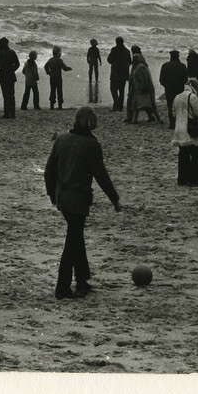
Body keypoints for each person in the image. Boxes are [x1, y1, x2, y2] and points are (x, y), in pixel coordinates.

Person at [43, 107, 121, 300]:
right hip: (78, 199)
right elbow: (101, 176)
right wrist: (115, 199)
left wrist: (52, 195)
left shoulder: (61, 139)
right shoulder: (91, 145)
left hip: (62, 197)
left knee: (76, 236)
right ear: (92, 124)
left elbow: (48, 171)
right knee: (73, 240)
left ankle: (82, 279)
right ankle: (63, 288)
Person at [171, 79, 198, 187]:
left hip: (179, 128)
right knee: (196, 155)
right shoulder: (192, 97)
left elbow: (173, 113)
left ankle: (182, 179)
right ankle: (194, 179)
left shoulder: (177, 96)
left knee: (183, 155)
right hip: (190, 129)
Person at [126, 46, 158, 124]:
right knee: (148, 103)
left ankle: (132, 118)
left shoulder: (138, 65)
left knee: (134, 102)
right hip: (144, 87)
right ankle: (152, 117)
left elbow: (138, 76)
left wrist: (139, 87)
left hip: (138, 87)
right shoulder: (143, 63)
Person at [0, 37, 20, 118]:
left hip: (3, 75)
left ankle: (7, 113)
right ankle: (13, 113)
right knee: (11, 95)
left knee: (5, 95)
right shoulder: (12, 52)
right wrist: (12, 70)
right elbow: (17, 64)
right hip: (11, 75)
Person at [107, 37, 131, 116]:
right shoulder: (127, 51)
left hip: (115, 73)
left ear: (116, 42)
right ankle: (120, 106)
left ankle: (116, 105)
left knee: (113, 89)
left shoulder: (114, 49)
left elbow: (109, 60)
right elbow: (130, 61)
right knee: (122, 90)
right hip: (124, 74)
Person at [45, 46, 69, 112]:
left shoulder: (50, 60)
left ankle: (51, 106)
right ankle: (60, 106)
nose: (60, 54)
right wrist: (69, 68)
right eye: (60, 52)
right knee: (59, 91)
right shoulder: (59, 60)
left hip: (52, 78)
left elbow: (45, 66)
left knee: (52, 91)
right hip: (58, 78)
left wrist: (48, 72)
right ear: (58, 53)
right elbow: (64, 68)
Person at [85, 39, 102, 105]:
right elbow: (98, 56)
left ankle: (90, 80)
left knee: (91, 71)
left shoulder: (90, 49)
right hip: (95, 61)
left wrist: (87, 60)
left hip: (92, 60)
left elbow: (87, 55)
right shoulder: (96, 49)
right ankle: (96, 80)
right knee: (96, 71)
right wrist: (100, 61)